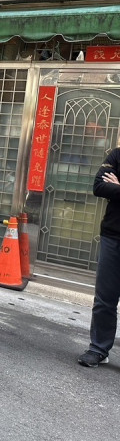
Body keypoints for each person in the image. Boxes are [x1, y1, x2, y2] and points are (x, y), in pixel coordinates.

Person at [77, 148, 120, 367]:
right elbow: (99, 186)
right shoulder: (117, 155)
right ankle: (99, 348)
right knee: (105, 298)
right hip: (113, 235)